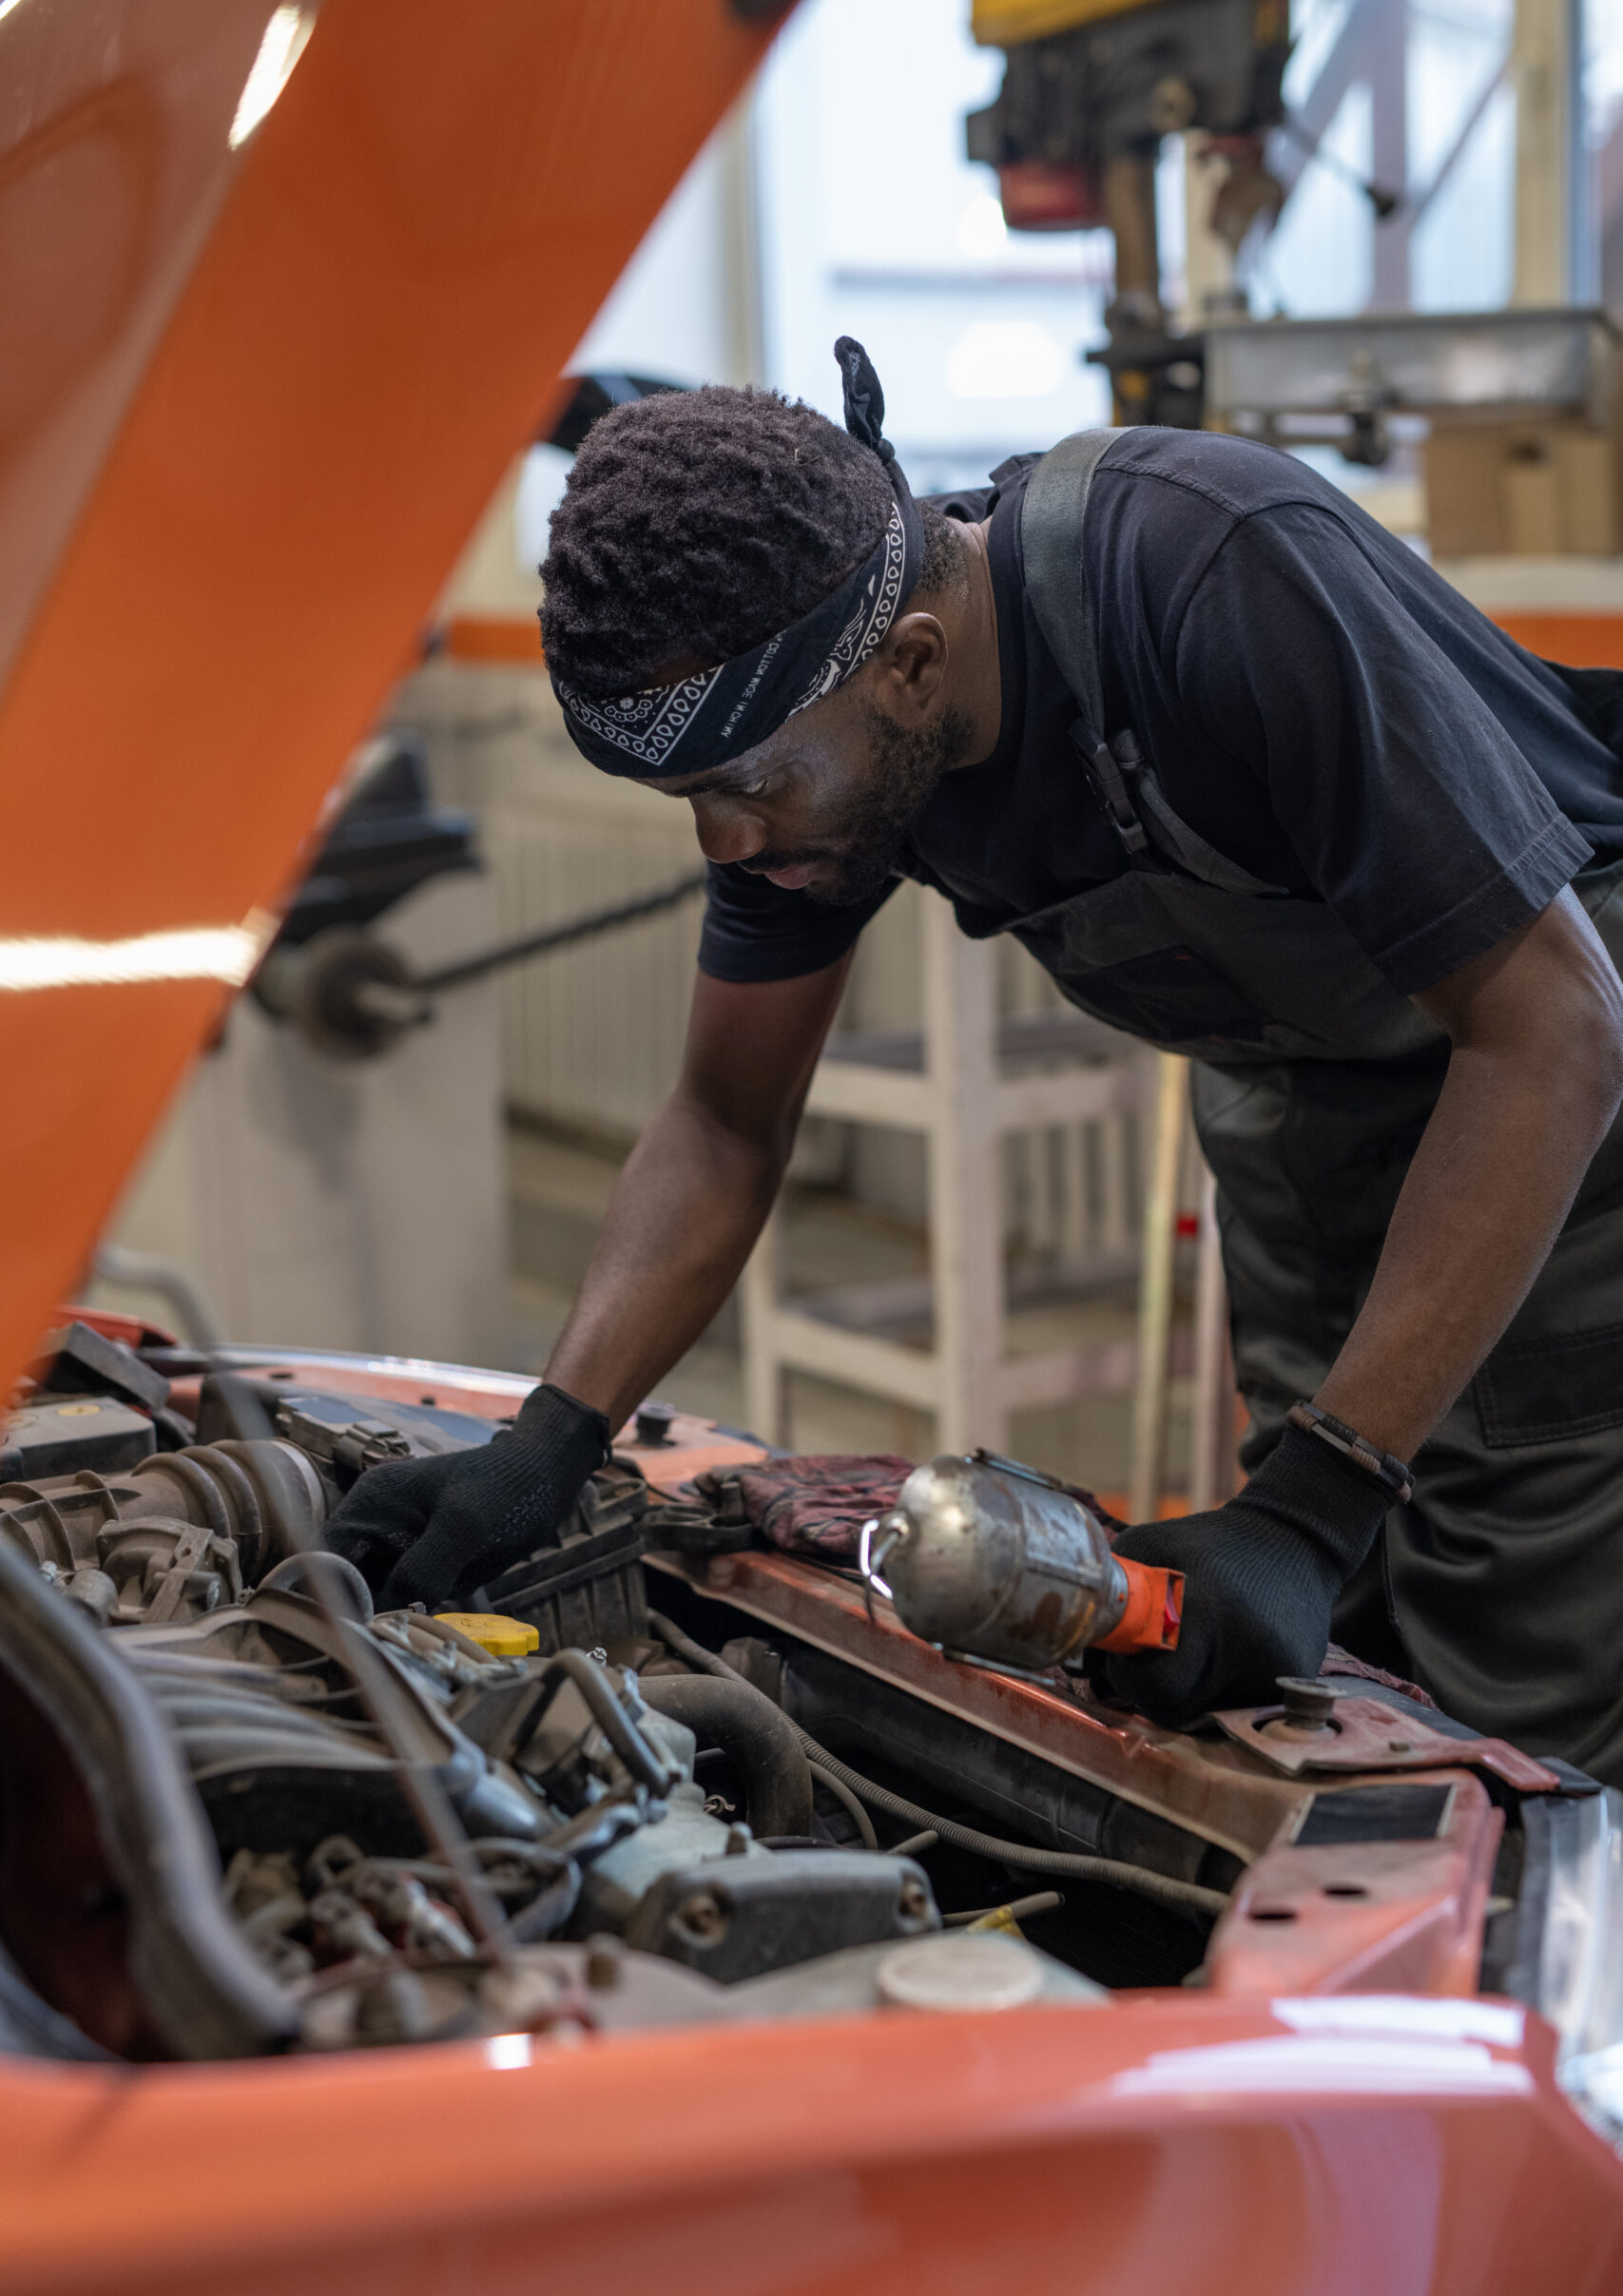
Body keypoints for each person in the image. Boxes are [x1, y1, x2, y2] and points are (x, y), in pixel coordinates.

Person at [327, 338, 1623, 1783]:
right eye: (690, 799)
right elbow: (721, 1122)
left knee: (1520, 1696)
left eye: (744, 788)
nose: (725, 845)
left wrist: (1321, 1498)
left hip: (1563, 1122)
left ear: (916, 664)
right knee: (1333, 1673)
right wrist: (550, 1439)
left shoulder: (1209, 576)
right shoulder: (819, 709)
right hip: (1306, 1139)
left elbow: (1554, 1026)